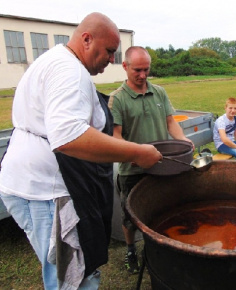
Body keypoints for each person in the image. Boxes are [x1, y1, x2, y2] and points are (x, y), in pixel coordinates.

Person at [0, 13, 162, 290]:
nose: (112, 59)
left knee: (65, 269)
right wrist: (136, 152)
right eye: (110, 51)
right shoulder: (70, 72)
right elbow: (68, 136)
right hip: (44, 191)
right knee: (71, 276)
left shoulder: (56, 60)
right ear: (86, 39)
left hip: (39, 185)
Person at [108, 46, 193, 274]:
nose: (143, 75)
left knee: (162, 209)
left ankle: (160, 246)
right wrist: (135, 156)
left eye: (146, 69)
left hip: (162, 166)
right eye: (137, 70)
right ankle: (130, 250)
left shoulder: (160, 92)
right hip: (132, 170)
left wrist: (184, 140)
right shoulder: (117, 100)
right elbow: (116, 137)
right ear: (125, 67)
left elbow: (170, 123)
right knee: (130, 216)